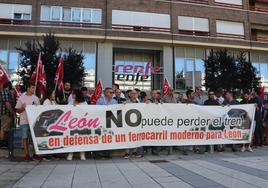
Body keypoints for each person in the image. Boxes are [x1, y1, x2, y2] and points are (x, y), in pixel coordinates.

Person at [15, 82, 41, 161]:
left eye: (34, 88)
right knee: (25, 138)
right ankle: (27, 155)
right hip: (24, 121)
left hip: (33, 122)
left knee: (34, 138)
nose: (33, 89)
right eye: (32, 87)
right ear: (28, 88)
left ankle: (35, 154)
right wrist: (23, 108)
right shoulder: (21, 98)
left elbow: (39, 110)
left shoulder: (36, 98)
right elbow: (17, 110)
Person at [95, 87, 118, 159]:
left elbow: (116, 110)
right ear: (105, 93)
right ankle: (98, 154)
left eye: (112, 92)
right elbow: (96, 110)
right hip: (101, 121)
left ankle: (107, 154)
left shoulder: (114, 101)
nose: (112, 94)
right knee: (100, 137)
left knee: (108, 137)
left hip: (110, 122)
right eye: (110, 92)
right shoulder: (100, 100)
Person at [67, 89, 88, 161]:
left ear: (77, 95)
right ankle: (70, 153)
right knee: (72, 139)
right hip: (71, 124)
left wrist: (78, 107)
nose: (72, 95)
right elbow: (66, 111)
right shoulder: (70, 102)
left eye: (73, 94)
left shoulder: (84, 103)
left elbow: (87, 112)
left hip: (81, 124)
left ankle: (82, 153)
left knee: (81, 139)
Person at [124, 89, 142, 158]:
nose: (134, 95)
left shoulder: (139, 103)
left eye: (135, 93)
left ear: (137, 95)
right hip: (128, 123)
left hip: (137, 123)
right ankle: (127, 152)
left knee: (136, 137)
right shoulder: (126, 103)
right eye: (132, 93)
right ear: (129, 95)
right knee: (128, 137)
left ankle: (135, 152)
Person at [0, 82, 15, 149]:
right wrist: (12, 112)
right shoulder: (4, 91)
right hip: (5, 113)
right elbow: (7, 103)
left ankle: (5, 143)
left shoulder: (8, 92)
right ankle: (2, 143)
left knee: (7, 129)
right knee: (4, 128)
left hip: (7, 113)